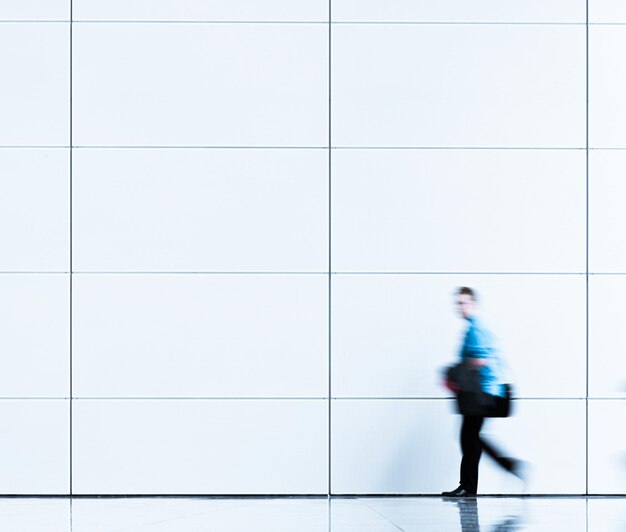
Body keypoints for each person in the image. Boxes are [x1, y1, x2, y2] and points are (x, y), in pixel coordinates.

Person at [442, 287, 523, 497]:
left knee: (469, 436)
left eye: (464, 303)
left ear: (474, 304)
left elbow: (481, 359)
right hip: (483, 391)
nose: (460, 307)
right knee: (471, 437)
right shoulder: (474, 327)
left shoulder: (475, 328)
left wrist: (454, 370)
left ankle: (474, 484)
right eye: (458, 303)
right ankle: (483, 479)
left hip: (482, 392)